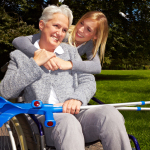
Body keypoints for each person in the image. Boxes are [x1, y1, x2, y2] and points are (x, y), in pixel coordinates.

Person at [0, 5, 132, 150]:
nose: (60, 33)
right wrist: (35, 62)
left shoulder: (70, 52)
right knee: (68, 121)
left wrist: (77, 98)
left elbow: (88, 81)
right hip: (41, 119)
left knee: (110, 113)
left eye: (64, 29)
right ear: (42, 25)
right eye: (56, 26)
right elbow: (5, 91)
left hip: (77, 114)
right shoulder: (19, 56)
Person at [12, 10, 109, 74]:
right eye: (81, 23)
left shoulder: (89, 45)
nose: (80, 29)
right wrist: (40, 55)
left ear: (95, 36)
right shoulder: (62, 34)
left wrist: (69, 64)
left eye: (88, 29)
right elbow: (19, 40)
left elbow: (96, 67)